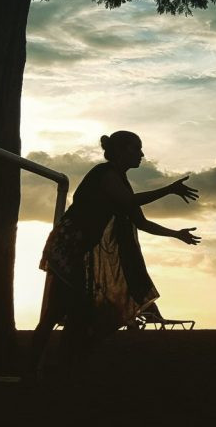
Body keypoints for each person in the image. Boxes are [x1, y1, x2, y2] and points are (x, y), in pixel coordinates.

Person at [29, 131, 201, 377]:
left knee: (76, 312)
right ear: (121, 151)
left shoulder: (119, 180)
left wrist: (176, 234)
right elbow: (130, 202)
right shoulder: (105, 174)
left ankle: (59, 366)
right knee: (60, 310)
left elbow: (140, 222)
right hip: (69, 247)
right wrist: (169, 189)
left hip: (79, 249)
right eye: (136, 148)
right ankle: (36, 367)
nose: (141, 154)